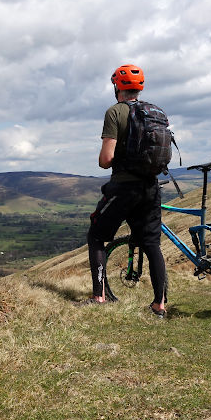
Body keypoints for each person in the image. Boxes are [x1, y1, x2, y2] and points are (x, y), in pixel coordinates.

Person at [85, 64, 168, 317]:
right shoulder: (156, 112)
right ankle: (159, 305)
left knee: (97, 236)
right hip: (151, 187)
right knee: (152, 244)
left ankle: (99, 296)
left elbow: (105, 159)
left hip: (124, 187)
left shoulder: (114, 112)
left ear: (117, 87)